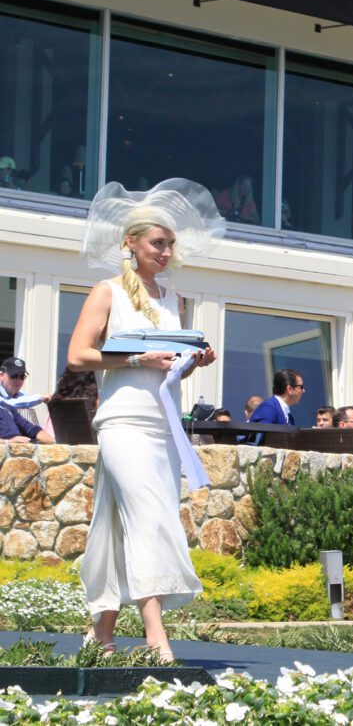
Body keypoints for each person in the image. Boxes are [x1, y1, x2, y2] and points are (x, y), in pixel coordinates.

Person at [67, 178, 225, 661]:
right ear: (131, 243)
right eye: (158, 242)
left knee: (115, 522)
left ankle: (103, 633)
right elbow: (78, 356)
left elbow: (169, 361)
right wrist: (137, 360)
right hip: (121, 424)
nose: (166, 251)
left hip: (161, 425)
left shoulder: (172, 299)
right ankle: (157, 637)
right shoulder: (107, 291)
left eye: (170, 244)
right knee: (151, 519)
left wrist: (192, 360)